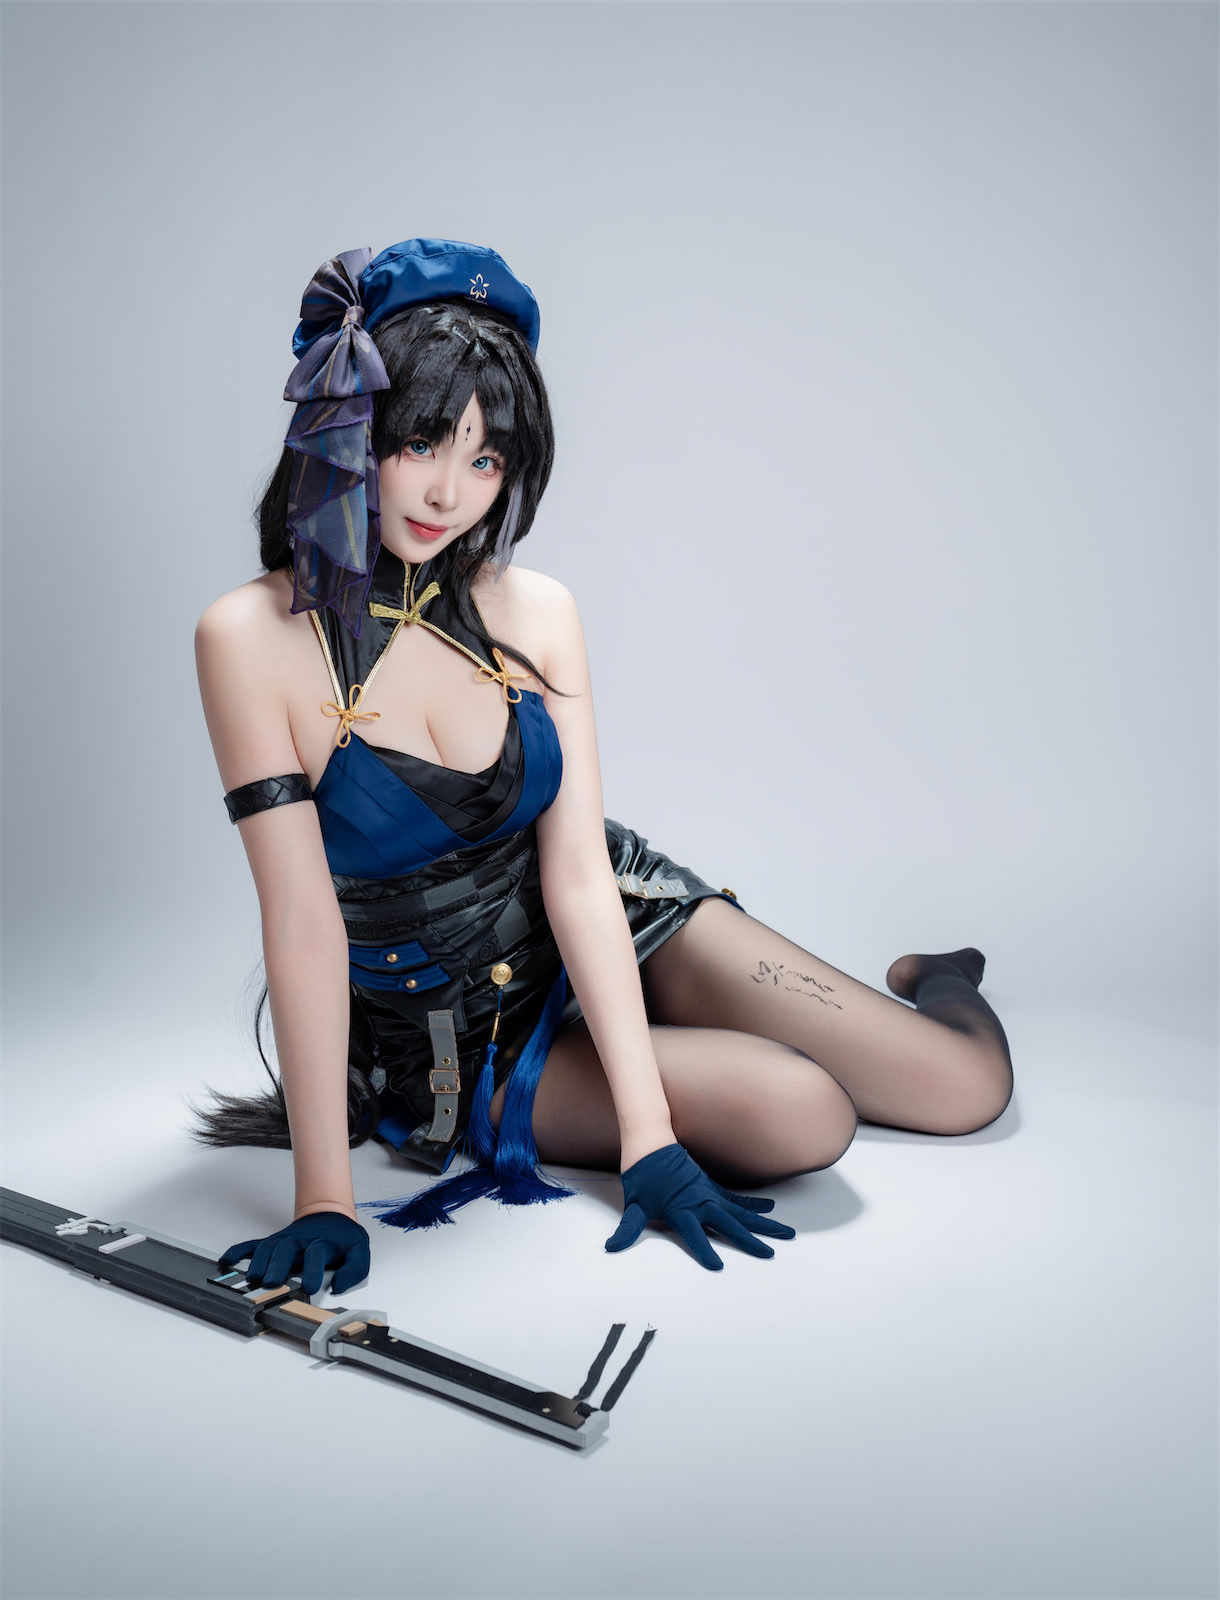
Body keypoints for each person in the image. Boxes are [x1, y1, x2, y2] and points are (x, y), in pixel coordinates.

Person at [191, 237, 1014, 1295]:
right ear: (352, 429)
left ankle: (933, 979)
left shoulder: (537, 609)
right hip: (458, 1034)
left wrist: (648, 1133)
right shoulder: (247, 638)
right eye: (422, 442)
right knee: (804, 1112)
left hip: (610, 917)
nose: (448, 492)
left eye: (486, 460)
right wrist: (322, 1197)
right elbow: (302, 922)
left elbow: (577, 872)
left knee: (965, 1087)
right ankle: (667, 1048)